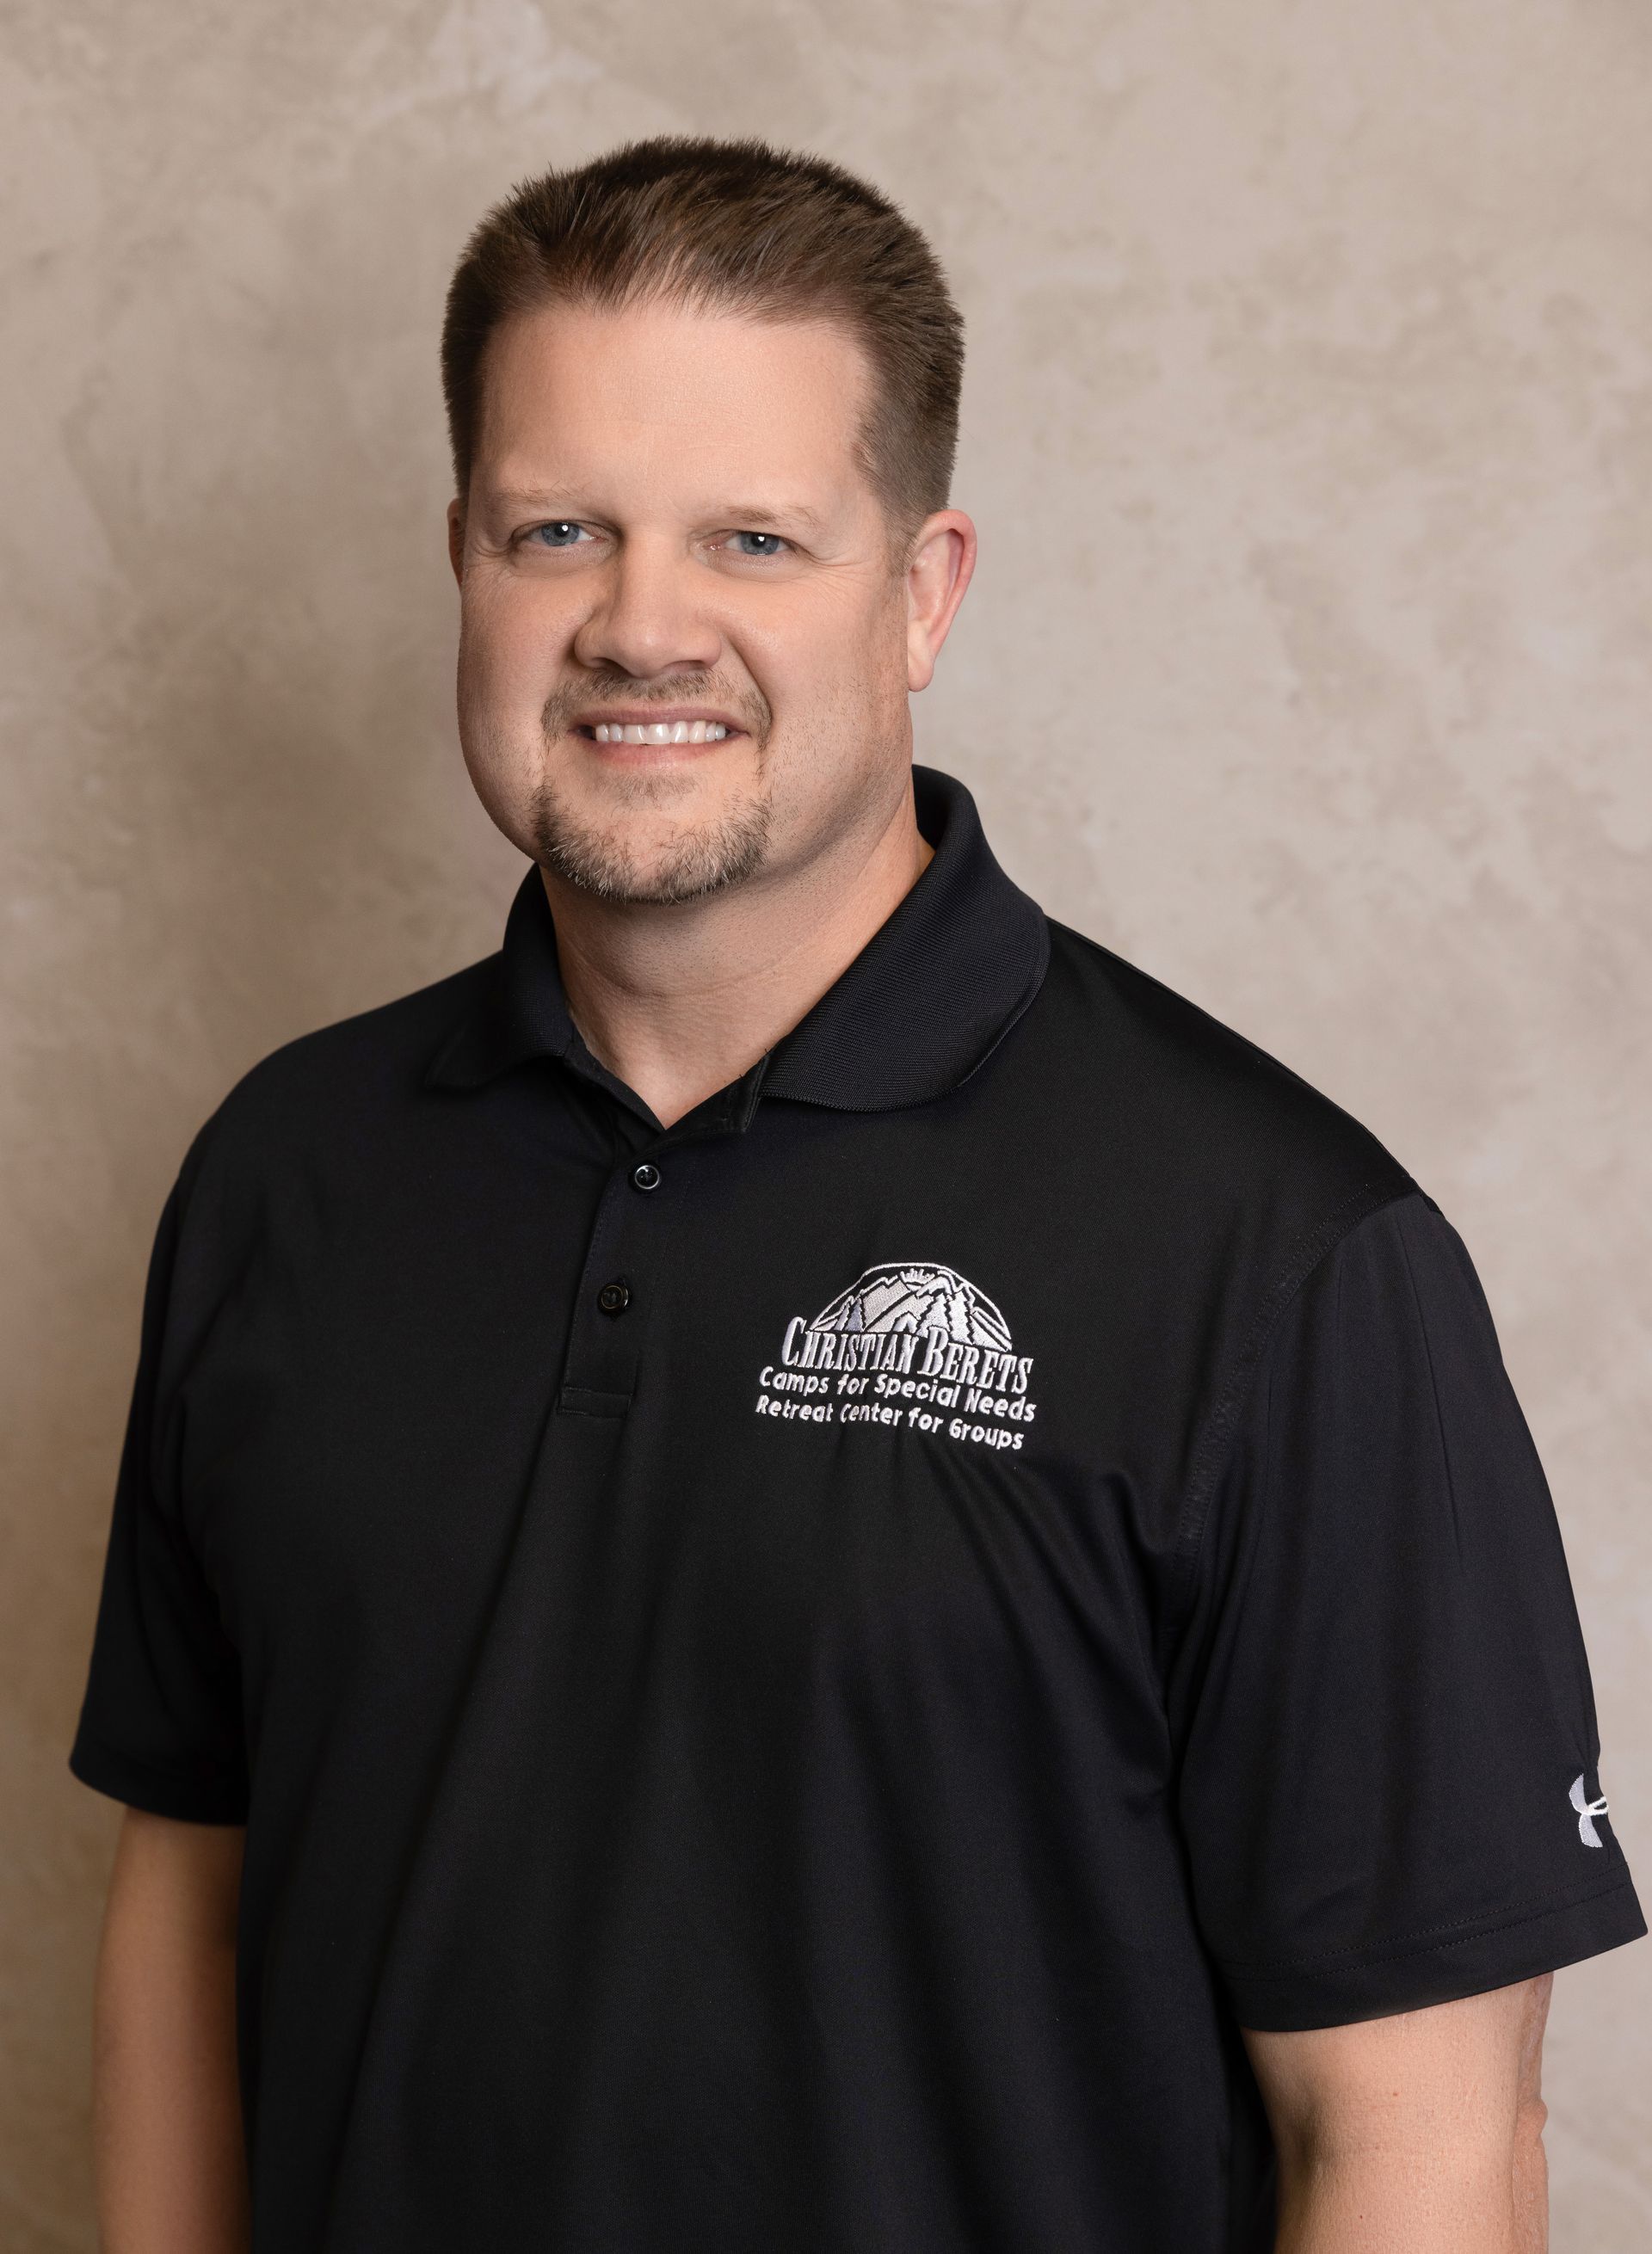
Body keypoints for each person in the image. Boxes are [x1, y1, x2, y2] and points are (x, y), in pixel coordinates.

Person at [70, 135, 1642, 2254]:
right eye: (560, 529)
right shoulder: (284, 1176)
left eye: (753, 537)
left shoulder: (1279, 1260)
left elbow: (1431, 2145)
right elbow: (196, 1904)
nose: (644, 624)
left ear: (922, 590)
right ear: (460, 556)